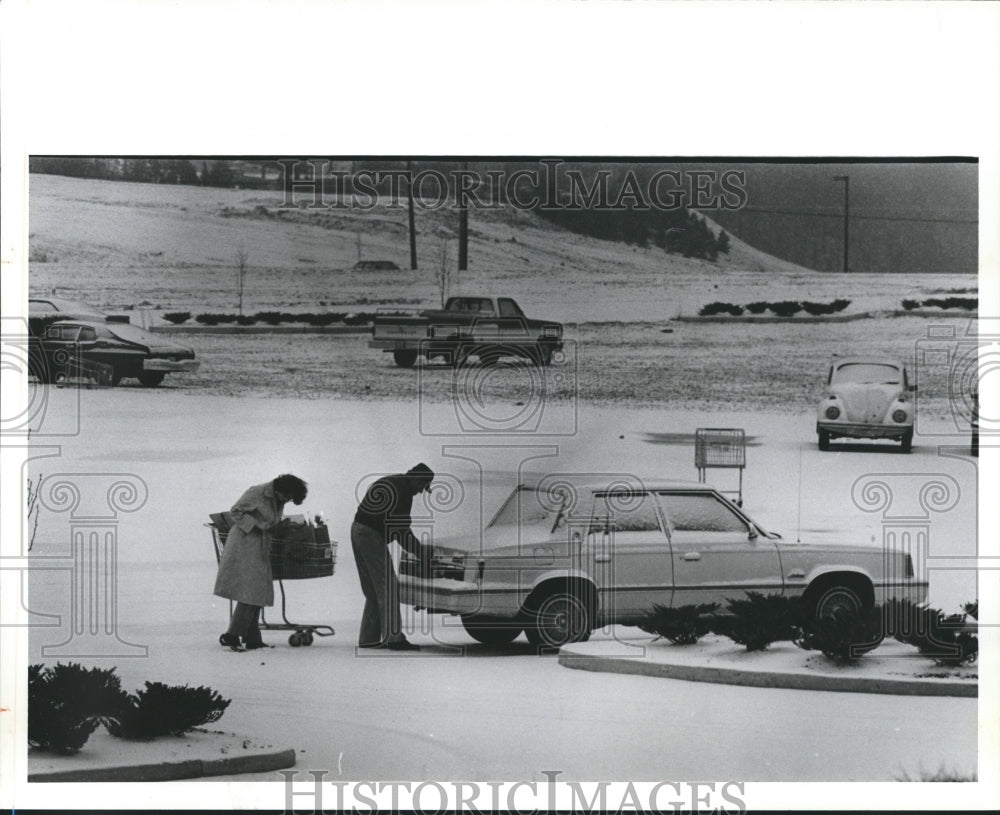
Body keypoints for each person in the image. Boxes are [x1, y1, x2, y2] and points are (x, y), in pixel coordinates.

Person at [214, 473, 308, 651]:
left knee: (257, 591)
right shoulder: (257, 492)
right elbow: (235, 511)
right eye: (287, 496)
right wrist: (257, 525)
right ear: (281, 489)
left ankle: (252, 638)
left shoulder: (278, 499)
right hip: (244, 543)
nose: (287, 500)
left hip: (259, 545)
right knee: (252, 591)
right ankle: (232, 635)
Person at [351, 463, 435, 650]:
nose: (421, 492)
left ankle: (369, 639)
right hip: (370, 534)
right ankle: (394, 639)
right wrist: (420, 552)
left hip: (357, 530)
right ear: (416, 479)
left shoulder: (394, 482)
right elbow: (401, 530)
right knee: (389, 586)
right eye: (423, 486)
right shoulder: (402, 491)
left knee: (374, 590)